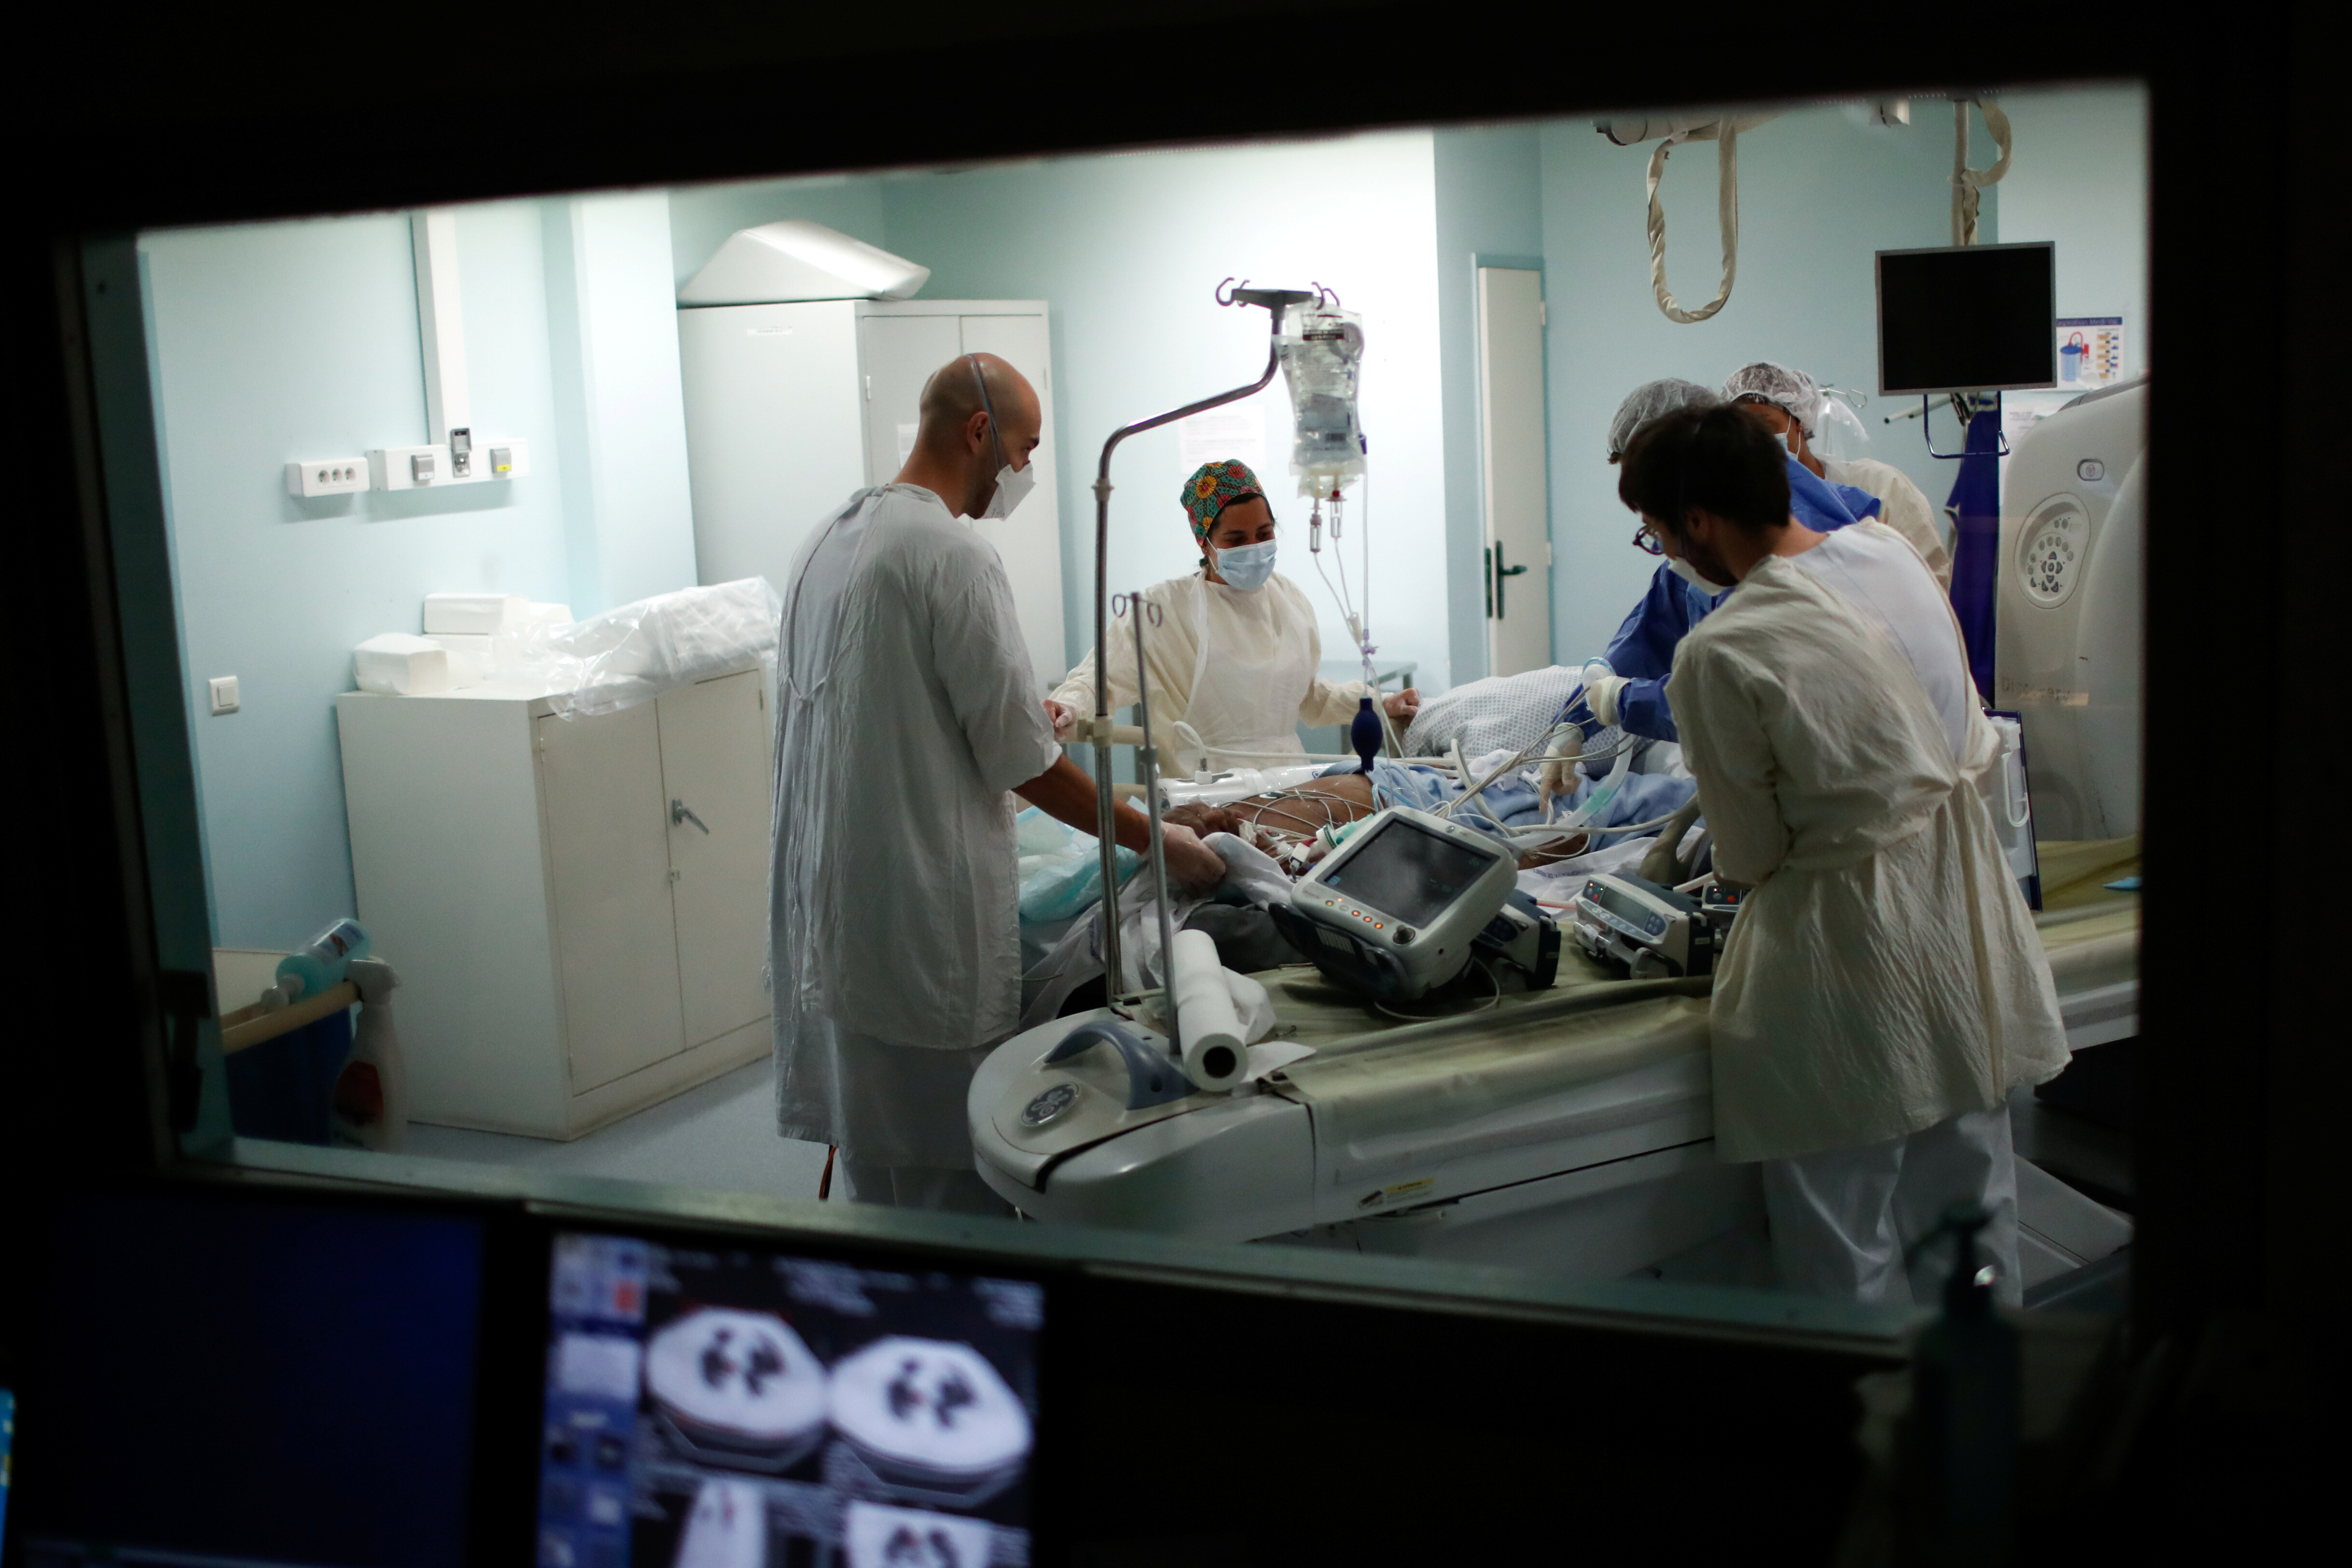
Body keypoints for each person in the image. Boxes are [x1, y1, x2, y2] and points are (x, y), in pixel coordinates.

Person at [1616, 405, 2069, 1304]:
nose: (1665, 550)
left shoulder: (1721, 648)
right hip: (1964, 918)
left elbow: (1748, 855)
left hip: (1843, 959)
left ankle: (1862, 1429)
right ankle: (1991, 1421)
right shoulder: (1888, 550)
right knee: (1970, 1213)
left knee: (1840, 1241)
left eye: (1658, 532)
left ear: (1697, 522)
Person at [771, 352, 1226, 1213]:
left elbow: (886, 717)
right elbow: (1027, 766)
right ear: (980, 431)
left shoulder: (826, 540)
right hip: (920, 926)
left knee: (880, 1166)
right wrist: (1159, 844)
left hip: (837, 918)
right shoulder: (952, 555)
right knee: (955, 1176)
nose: (1021, 472)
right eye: (1025, 449)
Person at [1044, 459, 1418, 775]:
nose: (1254, 548)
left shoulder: (1289, 600)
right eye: (1236, 540)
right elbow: (1099, 678)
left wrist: (1377, 703)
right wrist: (1068, 705)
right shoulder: (1162, 610)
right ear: (1204, 543)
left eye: (1264, 533)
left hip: (1291, 782)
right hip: (1205, 794)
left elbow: (1309, 696)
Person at [1577, 379, 1889, 746]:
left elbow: (1729, 706)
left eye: (1656, 530)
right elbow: (1656, 628)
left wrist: (1622, 700)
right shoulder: (1883, 550)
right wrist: (1577, 719)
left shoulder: (1787, 586)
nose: (1671, 556)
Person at [1720, 360, 1952, 589]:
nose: (1753, 444)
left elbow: (1931, 580)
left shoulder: (1879, 486)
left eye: (1765, 426)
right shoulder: (1741, 517)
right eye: (1739, 434)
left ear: (1799, 421)